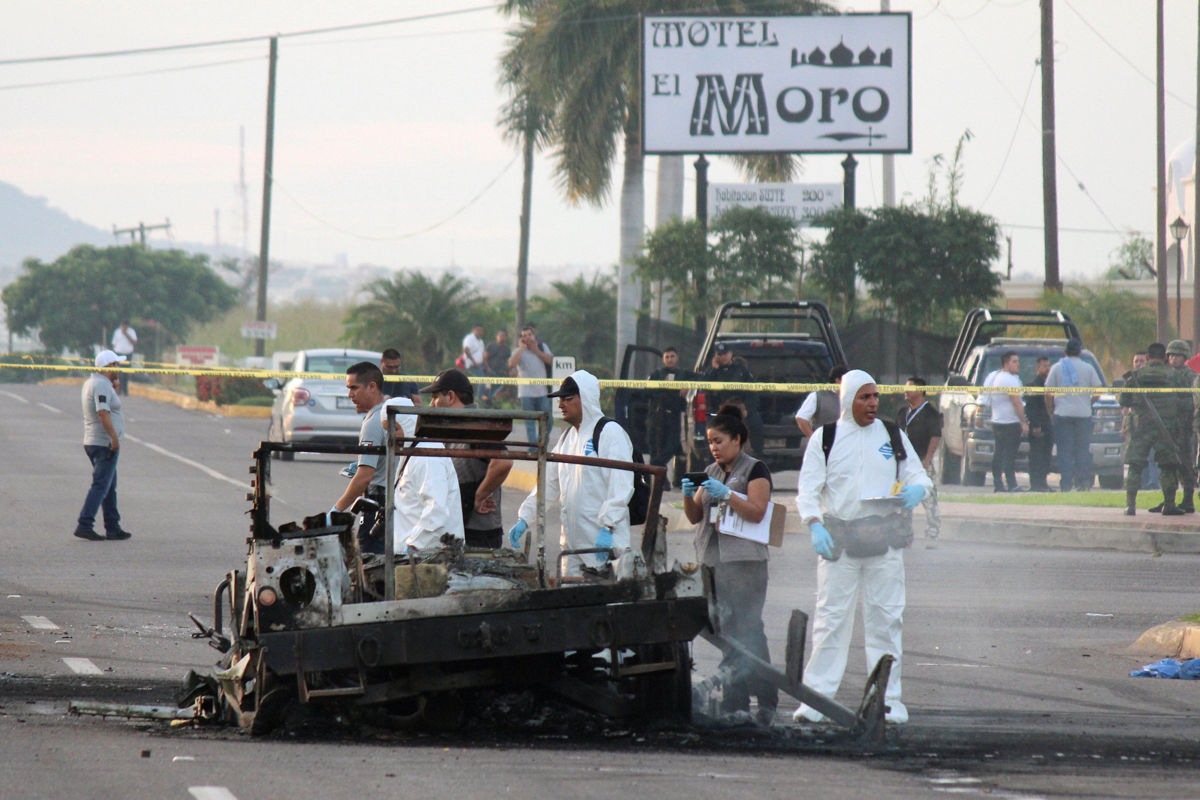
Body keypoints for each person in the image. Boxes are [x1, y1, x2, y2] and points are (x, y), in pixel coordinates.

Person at [794, 370, 931, 725]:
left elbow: (918, 475)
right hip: (838, 543)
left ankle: (888, 702)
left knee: (886, 620)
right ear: (847, 399)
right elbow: (807, 490)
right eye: (864, 397)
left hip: (884, 542)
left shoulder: (891, 434)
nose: (872, 404)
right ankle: (815, 700)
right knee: (831, 621)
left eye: (875, 397)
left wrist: (919, 489)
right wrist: (813, 525)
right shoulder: (825, 438)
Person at [680, 404, 777, 723]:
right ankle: (736, 700)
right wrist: (687, 494)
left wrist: (727, 495)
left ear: (737, 439)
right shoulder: (710, 472)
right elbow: (695, 516)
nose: (714, 447)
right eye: (710, 442)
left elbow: (757, 511)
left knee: (749, 630)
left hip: (745, 564)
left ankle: (766, 699)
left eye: (719, 441)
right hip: (714, 563)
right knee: (725, 631)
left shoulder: (755, 469)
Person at [509, 370, 633, 576]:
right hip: (572, 550)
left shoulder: (609, 433)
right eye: (560, 400)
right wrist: (525, 517)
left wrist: (608, 526)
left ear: (586, 398)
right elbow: (548, 484)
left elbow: (622, 485)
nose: (560, 405)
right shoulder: (567, 439)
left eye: (567, 399)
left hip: (604, 544)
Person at [421, 368, 513, 548]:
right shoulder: (458, 425)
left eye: (435, 397)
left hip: (479, 533)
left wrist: (480, 496)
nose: (432, 404)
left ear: (451, 396)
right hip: (460, 527)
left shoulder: (476, 425)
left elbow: (503, 461)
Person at [389, 396, 465, 551]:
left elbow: (436, 510)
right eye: (387, 430)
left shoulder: (428, 455)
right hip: (414, 556)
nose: (390, 436)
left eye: (394, 429)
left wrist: (413, 545)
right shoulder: (411, 452)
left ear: (407, 424)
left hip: (430, 557)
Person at [1120, 343, 1187, 516]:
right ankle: (1169, 505)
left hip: (1141, 426)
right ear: (1165, 357)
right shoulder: (1174, 375)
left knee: (1135, 465)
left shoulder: (1136, 375)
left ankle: (1130, 506)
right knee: (1168, 466)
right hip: (1167, 427)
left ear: (1148, 358)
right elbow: (1185, 399)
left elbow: (1124, 401)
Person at [75, 349, 133, 541]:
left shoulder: (97, 383)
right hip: (103, 443)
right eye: (116, 365)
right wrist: (113, 438)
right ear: (109, 366)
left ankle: (113, 526)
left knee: (108, 485)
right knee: (101, 485)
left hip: (97, 441)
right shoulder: (100, 385)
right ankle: (85, 523)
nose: (119, 369)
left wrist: (113, 388)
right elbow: (102, 413)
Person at [332, 361, 390, 555]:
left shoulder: (374, 422)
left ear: (372, 386)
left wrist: (337, 510)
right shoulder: (389, 412)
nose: (350, 395)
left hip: (378, 502)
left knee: (370, 565)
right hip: (395, 501)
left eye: (354, 388)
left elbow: (365, 476)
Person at [1044, 338, 1101, 492]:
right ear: (1080, 352)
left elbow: (1048, 393)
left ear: (1065, 352)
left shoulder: (1057, 368)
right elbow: (1098, 390)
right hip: (1083, 416)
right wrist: (1089, 403)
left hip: (1062, 415)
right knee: (1082, 450)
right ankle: (1083, 483)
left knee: (1065, 452)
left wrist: (1051, 411)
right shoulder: (1088, 368)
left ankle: (1066, 484)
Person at [895, 377, 942, 545]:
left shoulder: (931, 413)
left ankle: (932, 534)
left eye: (910, 388)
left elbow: (935, 436)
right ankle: (904, 535)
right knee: (900, 499)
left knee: (930, 501)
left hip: (922, 463)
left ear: (921, 390)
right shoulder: (902, 412)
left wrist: (927, 459)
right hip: (902, 464)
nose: (906, 392)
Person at [703, 343, 762, 456]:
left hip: (739, 407)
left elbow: (753, 392)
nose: (723, 357)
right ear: (716, 356)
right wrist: (713, 369)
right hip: (719, 410)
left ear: (731, 354)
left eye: (725, 354)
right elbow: (703, 385)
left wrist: (747, 409)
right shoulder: (712, 371)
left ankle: (758, 454)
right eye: (719, 354)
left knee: (756, 421)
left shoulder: (741, 370)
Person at [986, 352, 1027, 492]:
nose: (1018, 364)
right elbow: (1016, 402)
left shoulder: (995, 376)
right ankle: (1011, 484)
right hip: (1010, 422)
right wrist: (1023, 421)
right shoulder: (1009, 379)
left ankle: (998, 484)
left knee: (999, 453)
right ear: (1006, 363)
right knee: (1009, 455)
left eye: (1018, 361)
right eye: (1014, 361)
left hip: (997, 420)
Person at [508, 323, 554, 447]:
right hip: (525, 392)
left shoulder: (542, 347)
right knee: (530, 422)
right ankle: (533, 448)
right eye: (524, 335)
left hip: (542, 391)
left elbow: (551, 361)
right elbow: (511, 363)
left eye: (529, 335)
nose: (527, 337)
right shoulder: (518, 351)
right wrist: (522, 348)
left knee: (548, 420)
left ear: (534, 336)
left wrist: (536, 350)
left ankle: (542, 442)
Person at [646, 347, 689, 479]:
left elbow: (702, 379)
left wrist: (687, 386)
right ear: (663, 359)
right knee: (657, 446)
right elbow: (647, 393)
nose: (670, 359)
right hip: (658, 415)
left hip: (674, 415)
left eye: (672, 356)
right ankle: (660, 479)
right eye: (667, 357)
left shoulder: (683, 374)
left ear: (677, 358)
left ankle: (652, 466)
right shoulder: (657, 374)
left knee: (673, 445)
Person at [1165, 340, 1196, 513]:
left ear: (1184, 357)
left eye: (1176, 355)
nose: (1172, 359)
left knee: (1185, 463)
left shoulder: (1190, 377)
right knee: (1167, 464)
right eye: (1170, 355)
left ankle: (1188, 500)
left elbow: (1192, 402)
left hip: (1183, 426)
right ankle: (1168, 500)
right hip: (1167, 426)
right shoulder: (1166, 375)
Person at [795, 365, 849, 438]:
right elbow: (801, 418)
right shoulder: (818, 396)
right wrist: (813, 440)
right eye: (847, 380)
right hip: (826, 445)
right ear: (838, 380)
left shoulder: (852, 396)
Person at [1025, 357, 1054, 492]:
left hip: (1048, 426)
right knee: (1036, 456)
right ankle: (1035, 484)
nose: (1047, 369)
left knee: (1046, 456)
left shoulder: (1049, 385)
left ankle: (1043, 483)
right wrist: (1035, 425)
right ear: (1038, 369)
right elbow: (1031, 408)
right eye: (1044, 366)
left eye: (1048, 366)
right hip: (1038, 426)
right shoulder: (1033, 385)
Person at [482, 329, 512, 406]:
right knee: (487, 389)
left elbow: (508, 362)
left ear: (506, 338)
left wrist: (507, 371)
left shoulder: (507, 349)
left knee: (499, 389)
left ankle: (493, 402)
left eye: (504, 336)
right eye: (500, 335)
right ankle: (485, 402)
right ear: (497, 336)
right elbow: (485, 358)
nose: (502, 337)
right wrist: (487, 368)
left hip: (501, 373)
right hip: (490, 372)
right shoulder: (491, 346)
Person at [111, 321, 137, 395]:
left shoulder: (131, 331)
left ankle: (125, 390)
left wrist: (126, 334)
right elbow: (114, 343)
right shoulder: (117, 332)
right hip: (118, 353)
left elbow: (134, 342)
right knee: (118, 373)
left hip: (128, 354)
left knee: (125, 373)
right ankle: (117, 390)